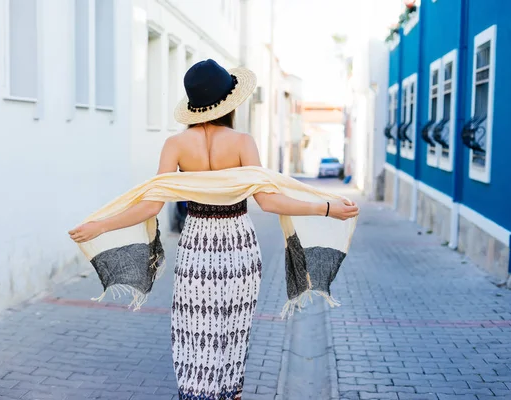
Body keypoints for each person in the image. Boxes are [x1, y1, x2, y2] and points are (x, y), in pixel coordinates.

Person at [69, 59, 359, 400]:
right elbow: (270, 201)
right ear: (229, 101)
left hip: (197, 245)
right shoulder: (242, 142)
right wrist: (327, 208)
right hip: (239, 245)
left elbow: (149, 205)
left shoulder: (175, 145)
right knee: (231, 335)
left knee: (195, 334)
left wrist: (100, 225)